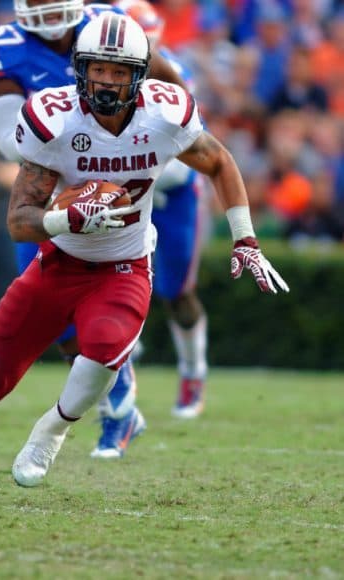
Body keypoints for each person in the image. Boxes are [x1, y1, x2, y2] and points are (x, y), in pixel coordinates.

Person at [0, 14, 288, 496]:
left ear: (140, 74)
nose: (106, 80)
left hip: (123, 265)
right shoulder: (53, 118)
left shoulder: (165, 114)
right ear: (79, 69)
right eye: (97, 69)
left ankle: (52, 431)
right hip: (58, 264)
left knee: (106, 348)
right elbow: (19, 220)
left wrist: (245, 237)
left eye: (119, 70)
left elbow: (219, 161)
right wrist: (69, 218)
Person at [0, 0, 194, 460]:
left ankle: (118, 409)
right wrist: (65, 145)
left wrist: (128, 153)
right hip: (55, 187)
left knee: (109, 317)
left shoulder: (110, 27)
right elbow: (12, 144)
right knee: (53, 319)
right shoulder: (5, 48)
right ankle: (119, 402)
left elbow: (175, 90)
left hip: (119, 182)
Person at [116, 0, 211, 420]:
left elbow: (185, 155)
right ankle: (117, 383)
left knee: (177, 291)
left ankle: (193, 370)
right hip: (123, 194)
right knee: (109, 287)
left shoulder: (172, 77)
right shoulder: (93, 78)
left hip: (171, 195)